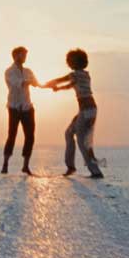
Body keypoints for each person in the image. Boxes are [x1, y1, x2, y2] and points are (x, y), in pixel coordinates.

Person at [44, 48, 103, 179]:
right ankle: (71, 167)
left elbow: (62, 79)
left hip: (87, 111)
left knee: (83, 141)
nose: (68, 62)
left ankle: (96, 171)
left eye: (70, 60)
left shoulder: (77, 74)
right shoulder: (83, 75)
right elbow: (71, 85)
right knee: (69, 133)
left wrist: (45, 84)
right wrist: (58, 89)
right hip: (86, 110)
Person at [2, 46, 40, 175]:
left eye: (25, 54)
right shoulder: (9, 71)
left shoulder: (28, 71)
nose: (25, 57)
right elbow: (18, 83)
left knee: (30, 136)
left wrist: (44, 84)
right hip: (14, 107)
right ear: (16, 55)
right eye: (22, 54)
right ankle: (5, 163)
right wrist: (30, 81)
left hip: (27, 107)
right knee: (12, 135)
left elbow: (35, 82)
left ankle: (25, 166)